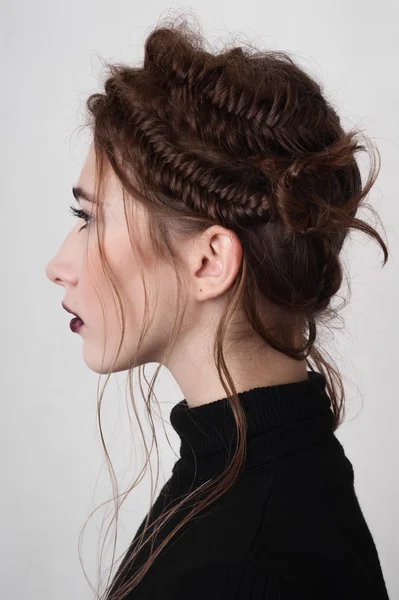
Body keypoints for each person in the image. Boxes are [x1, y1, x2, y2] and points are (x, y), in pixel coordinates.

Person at [45, 15, 390, 600]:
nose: (58, 263)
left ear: (209, 262)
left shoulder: (238, 569)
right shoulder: (263, 474)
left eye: (90, 219)